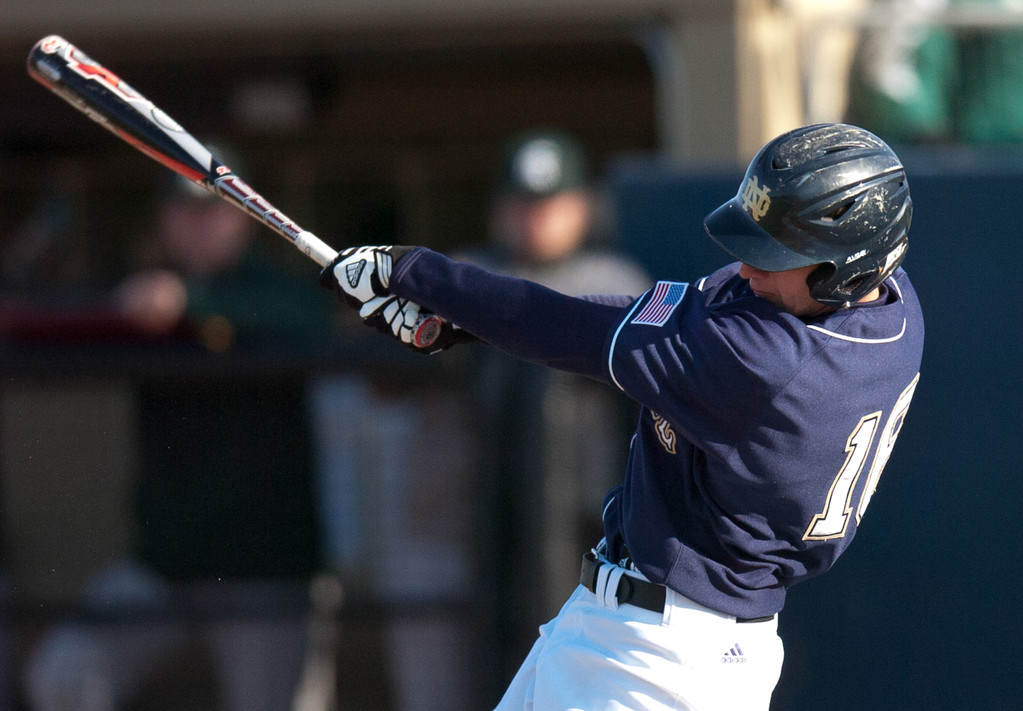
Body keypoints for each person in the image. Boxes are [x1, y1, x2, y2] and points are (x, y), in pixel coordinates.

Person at [321, 122, 925, 710]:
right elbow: (632, 319)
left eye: (776, 255)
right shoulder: (892, 307)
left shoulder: (766, 364)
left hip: (662, 659)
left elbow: (568, 328)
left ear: (848, 267)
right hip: (635, 627)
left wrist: (417, 274)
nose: (748, 270)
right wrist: (464, 323)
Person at [24, 174, 330, 711]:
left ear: (244, 219)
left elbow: (313, 316)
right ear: (164, 221)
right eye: (186, 211)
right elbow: (53, 325)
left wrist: (192, 304)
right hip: (167, 564)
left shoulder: (275, 288)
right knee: (65, 674)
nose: (199, 224)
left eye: (213, 210)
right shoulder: (142, 292)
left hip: (267, 566)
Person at [457, 129, 651, 688]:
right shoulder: (466, 277)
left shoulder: (615, 281)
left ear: (582, 206)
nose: (535, 220)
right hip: (467, 519)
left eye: (549, 204)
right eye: (522, 204)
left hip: (592, 526)